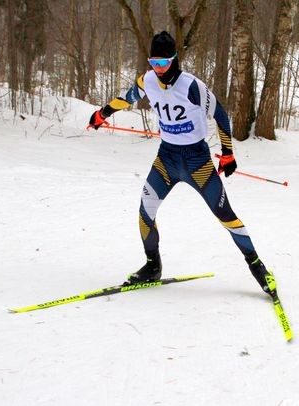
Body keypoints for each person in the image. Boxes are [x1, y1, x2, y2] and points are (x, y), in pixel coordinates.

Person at [88, 31, 276, 296]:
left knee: (226, 217)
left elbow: (221, 116)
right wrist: (101, 114)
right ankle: (153, 265)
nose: (159, 69)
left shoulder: (191, 86)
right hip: (166, 159)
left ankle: (258, 268)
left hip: (197, 162)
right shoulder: (148, 80)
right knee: (145, 212)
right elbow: (126, 98)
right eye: (154, 62)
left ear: (175, 59)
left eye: (164, 63)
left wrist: (228, 153)